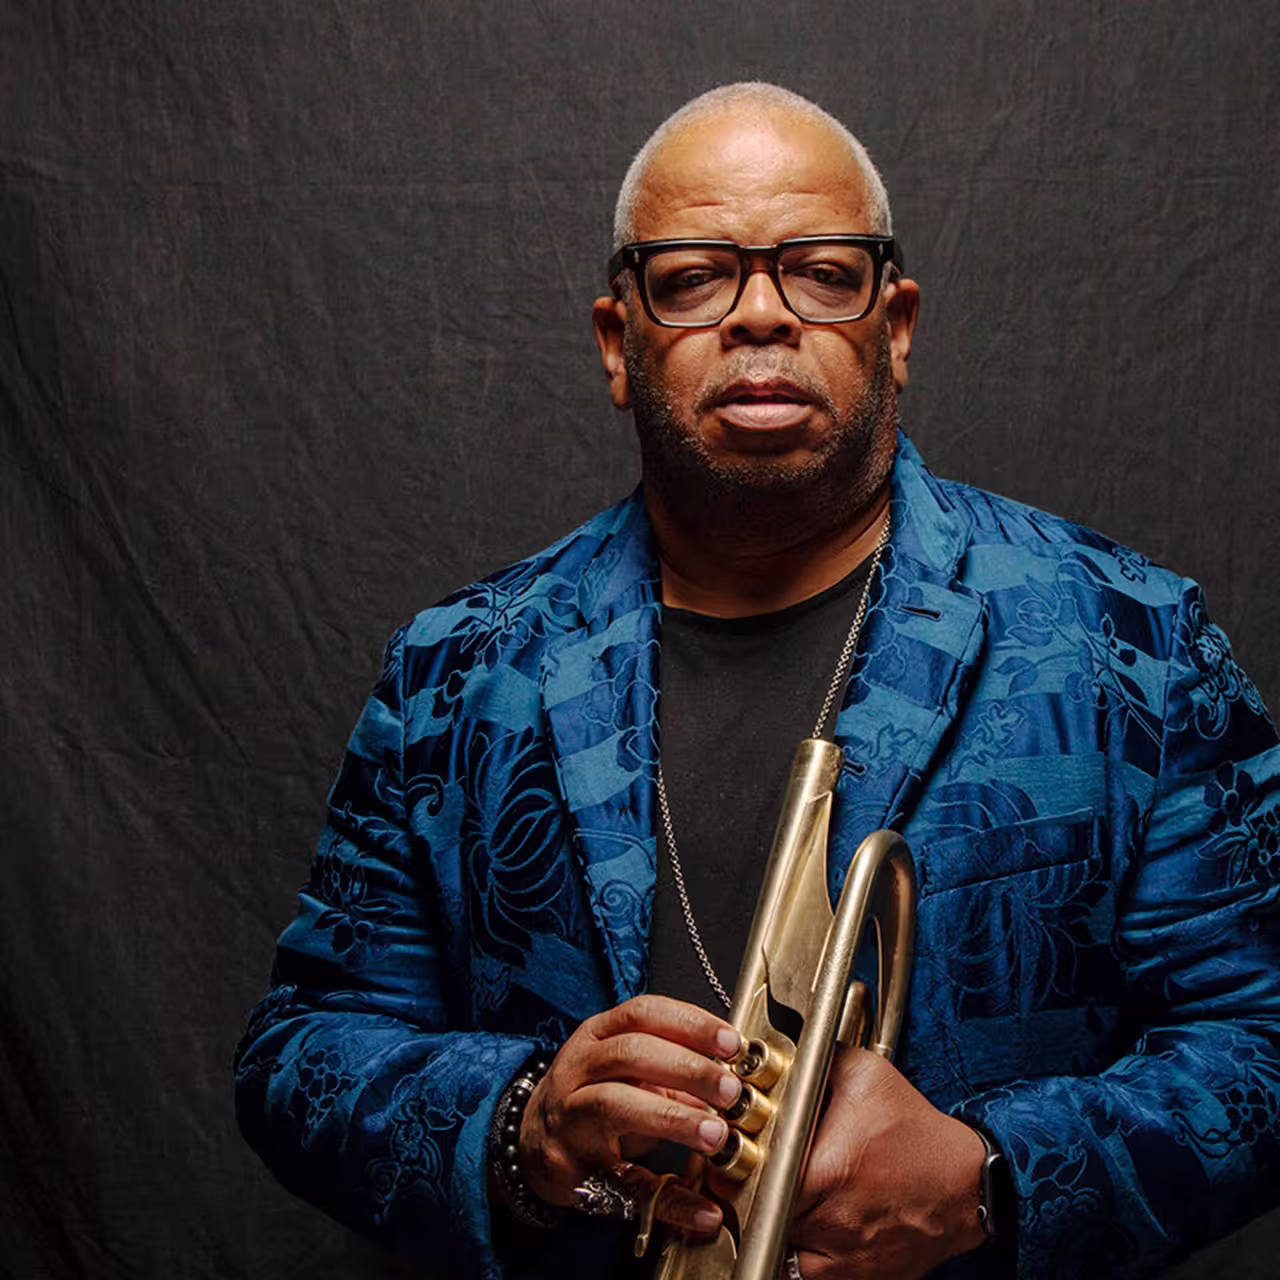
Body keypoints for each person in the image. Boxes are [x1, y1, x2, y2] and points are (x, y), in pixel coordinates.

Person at [234, 83, 1280, 1280]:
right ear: (619, 344)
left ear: (893, 327)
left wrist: (991, 1178)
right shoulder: (457, 665)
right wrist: (525, 1118)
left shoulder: (1124, 636)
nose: (760, 317)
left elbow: (1259, 1039)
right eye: (692, 277)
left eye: (820, 271)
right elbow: (299, 1052)